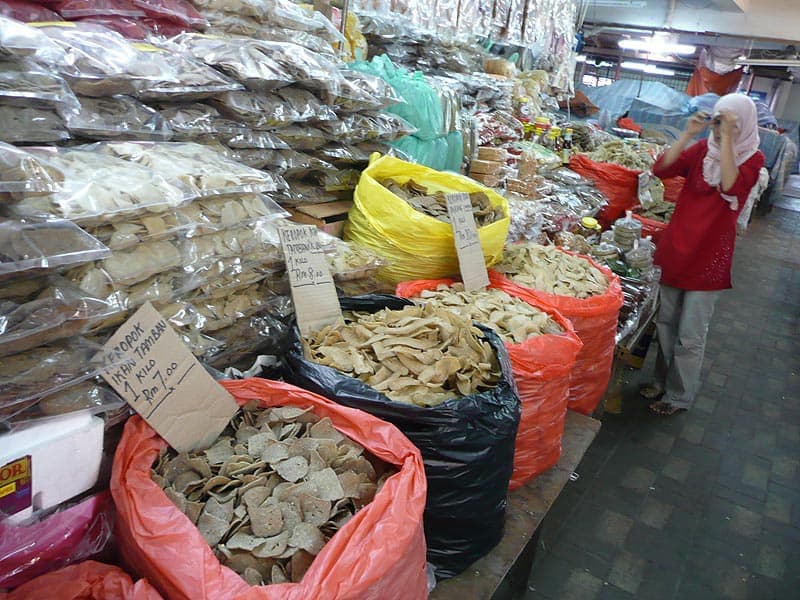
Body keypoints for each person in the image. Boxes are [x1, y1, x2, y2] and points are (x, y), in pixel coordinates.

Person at [641, 93, 766, 416]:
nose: (720, 125)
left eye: (728, 120)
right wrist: (687, 135)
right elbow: (661, 169)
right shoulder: (702, 150)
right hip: (677, 248)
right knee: (666, 323)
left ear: (744, 124)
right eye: (718, 118)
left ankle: (679, 395)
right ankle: (661, 382)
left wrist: (726, 139)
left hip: (709, 257)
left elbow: (729, 186)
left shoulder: (752, 160)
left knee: (690, 335)